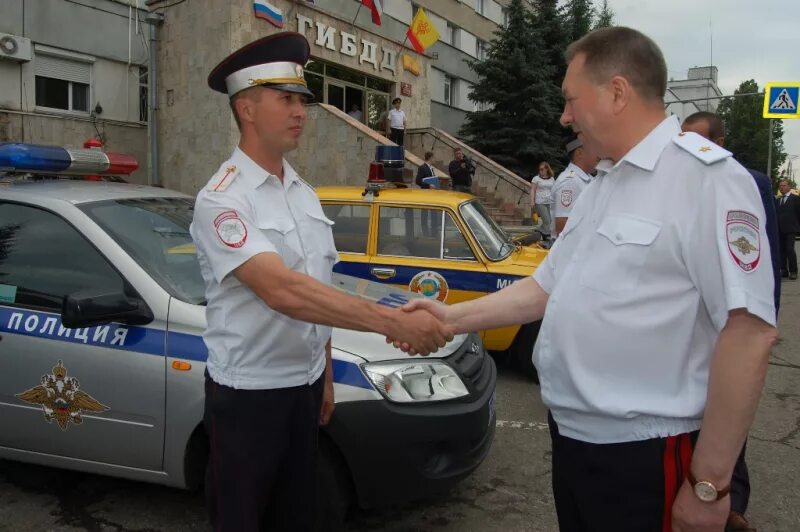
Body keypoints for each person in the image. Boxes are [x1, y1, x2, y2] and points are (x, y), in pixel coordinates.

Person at [392, 26, 777, 532]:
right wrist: (449, 317)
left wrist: (710, 486)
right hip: (577, 444)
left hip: (647, 453)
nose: (564, 116)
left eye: (571, 100)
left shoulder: (708, 182)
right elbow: (543, 287)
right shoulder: (604, 184)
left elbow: (749, 334)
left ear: (617, 92)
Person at [191, 32, 454, 532]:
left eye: (302, 101)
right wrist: (390, 320)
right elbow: (284, 291)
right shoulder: (222, 200)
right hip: (250, 397)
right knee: (241, 518)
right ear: (246, 108)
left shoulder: (304, 194)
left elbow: (318, 282)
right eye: (285, 99)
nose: (300, 112)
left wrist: (326, 374)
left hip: (305, 388)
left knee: (298, 516)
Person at [682, 110, 782, 532]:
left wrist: (759, 318)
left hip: (729, 319)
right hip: (688, 321)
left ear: (720, 141)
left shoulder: (745, 180)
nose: (685, 148)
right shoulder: (682, 180)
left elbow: (762, 258)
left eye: (696, 139)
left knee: (725, 418)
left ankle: (731, 504)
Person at [550, 136, 598, 237]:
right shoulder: (570, 182)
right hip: (571, 250)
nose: (598, 155)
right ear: (579, 153)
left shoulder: (586, 179)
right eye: (594, 150)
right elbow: (563, 227)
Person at [775, 179, 800, 280]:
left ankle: (793, 271)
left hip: (791, 229)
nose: (782, 187)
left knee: (790, 249)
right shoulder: (778, 200)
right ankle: (783, 270)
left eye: (784, 185)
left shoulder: (796, 199)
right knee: (781, 251)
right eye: (780, 186)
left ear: (789, 186)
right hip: (780, 229)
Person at [529, 162, 555, 237]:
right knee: (547, 221)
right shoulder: (536, 178)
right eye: (540, 169)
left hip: (549, 202)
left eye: (542, 169)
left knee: (549, 221)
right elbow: (532, 190)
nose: (540, 171)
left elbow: (554, 189)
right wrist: (532, 202)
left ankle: (539, 230)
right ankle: (548, 237)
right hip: (540, 202)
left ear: (547, 169)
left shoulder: (552, 179)